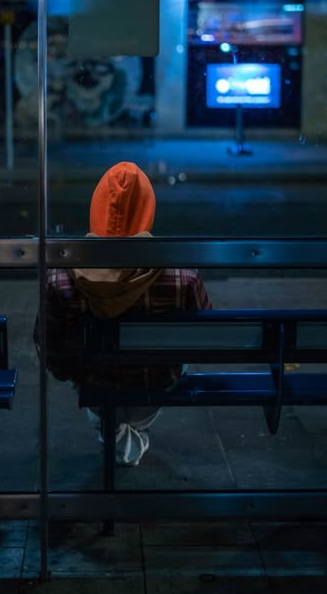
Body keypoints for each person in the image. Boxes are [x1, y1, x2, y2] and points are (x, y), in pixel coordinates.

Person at [34, 161, 212, 466]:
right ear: (147, 210)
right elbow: (207, 337)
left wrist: (72, 373)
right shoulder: (183, 276)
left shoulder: (60, 279)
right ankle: (124, 436)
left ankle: (115, 434)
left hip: (94, 382)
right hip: (157, 381)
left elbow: (47, 344)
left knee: (88, 369)